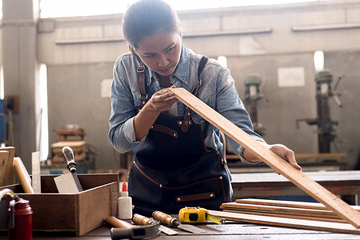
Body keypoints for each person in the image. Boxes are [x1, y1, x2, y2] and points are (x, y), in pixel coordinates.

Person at [108, 0, 301, 214]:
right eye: (150, 55)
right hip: (148, 199)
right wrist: (150, 110)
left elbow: (241, 136)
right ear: (132, 49)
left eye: (170, 48)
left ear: (180, 31)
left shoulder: (214, 75)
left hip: (206, 199)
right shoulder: (125, 69)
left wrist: (266, 152)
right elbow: (119, 141)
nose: (163, 62)